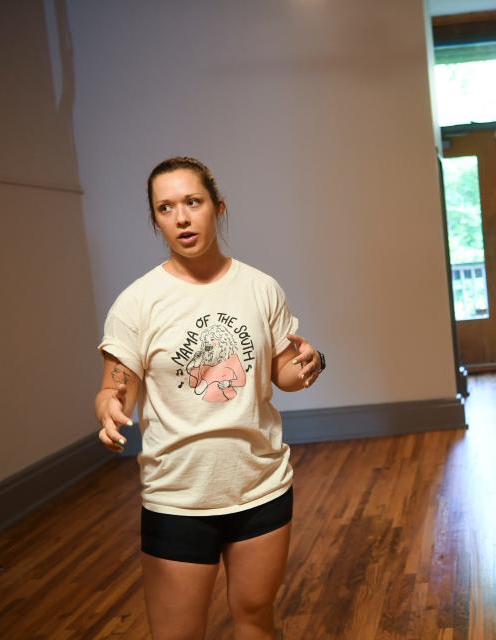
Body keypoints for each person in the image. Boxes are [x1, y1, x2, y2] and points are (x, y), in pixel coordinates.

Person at [94, 156, 323, 640]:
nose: (181, 217)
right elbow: (116, 389)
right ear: (155, 219)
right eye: (165, 208)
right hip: (177, 498)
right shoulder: (137, 303)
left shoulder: (261, 288)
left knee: (256, 619)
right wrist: (110, 411)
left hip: (259, 486)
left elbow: (284, 371)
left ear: (218, 208)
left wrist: (310, 365)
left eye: (192, 202)